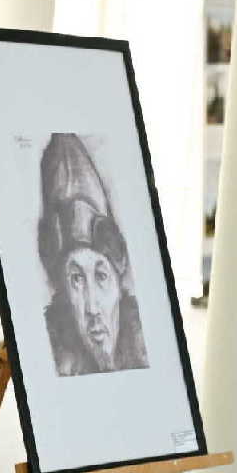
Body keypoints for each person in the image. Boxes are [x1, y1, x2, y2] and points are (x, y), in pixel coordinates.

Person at [37, 134, 148, 376]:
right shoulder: (51, 362)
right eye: (76, 279)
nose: (92, 308)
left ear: (118, 283)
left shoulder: (143, 348)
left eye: (101, 276)